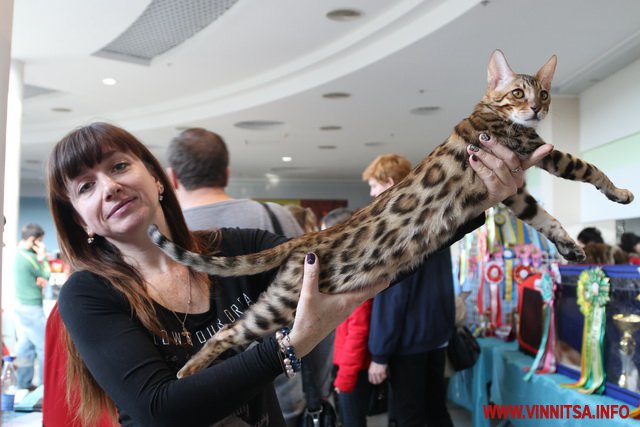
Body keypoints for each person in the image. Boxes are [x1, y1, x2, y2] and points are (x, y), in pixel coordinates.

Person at [48, 122, 544, 426]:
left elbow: (362, 259)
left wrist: (475, 203)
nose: (108, 188)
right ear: (78, 218)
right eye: (85, 186)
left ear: (157, 178)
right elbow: (164, 410)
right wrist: (289, 346)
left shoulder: (236, 248)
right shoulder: (89, 295)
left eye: (118, 167)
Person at [166, 127, 308, 426]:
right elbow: (311, 301)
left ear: (173, 177)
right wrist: (315, 388)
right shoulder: (276, 217)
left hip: (198, 403)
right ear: (226, 173)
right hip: (282, 385)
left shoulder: (164, 237)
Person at [363, 154, 458, 427]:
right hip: (436, 336)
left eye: (374, 186)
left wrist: (379, 354)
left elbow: (393, 297)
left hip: (408, 343)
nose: (372, 194)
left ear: (390, 183)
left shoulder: (396, 228)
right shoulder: (434, 219)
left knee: (408, 416)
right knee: (436, 410)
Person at [326, 208, 377, 427]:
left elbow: (358, 331)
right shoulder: (351, 268)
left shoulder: (358, 273)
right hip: (348, 365)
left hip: (353, 370)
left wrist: (345, 378)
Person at [13, 222, 50, 390]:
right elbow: (45, 274)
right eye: (40, 241)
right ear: (33, 240)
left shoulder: (21, 254)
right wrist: (42, 256)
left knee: (25, 346)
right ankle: (45, 387)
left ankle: (23, 385)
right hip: (31, 308)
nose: (41, 245)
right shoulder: (29, 257)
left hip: (21, 306)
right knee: (44, 346)